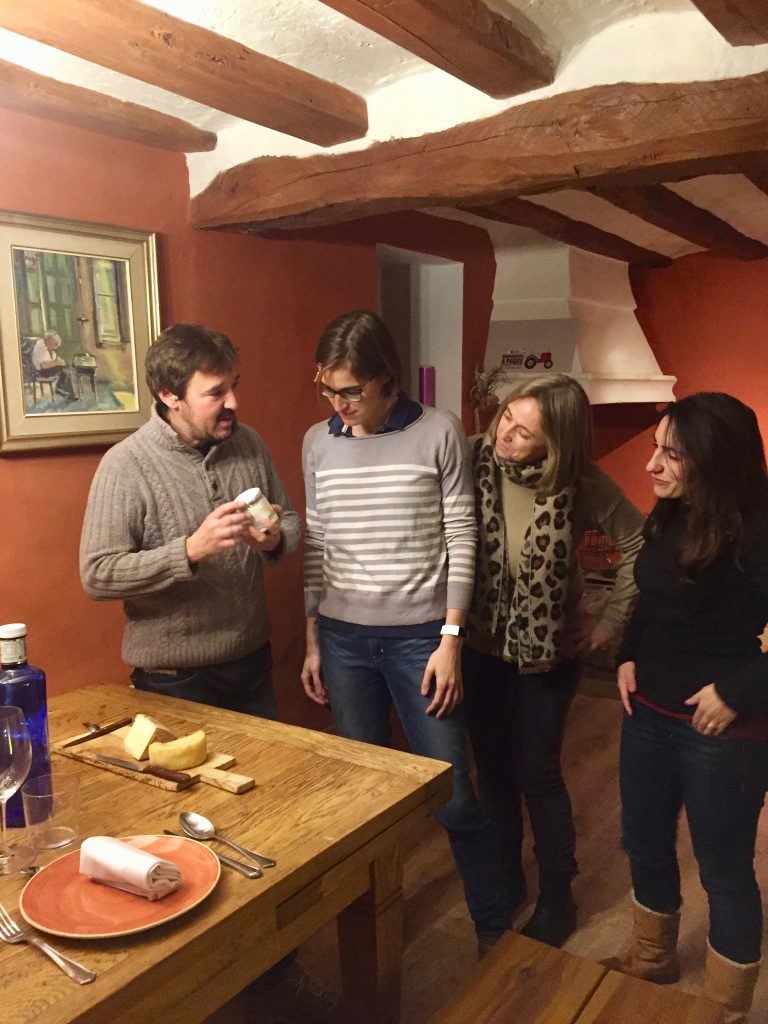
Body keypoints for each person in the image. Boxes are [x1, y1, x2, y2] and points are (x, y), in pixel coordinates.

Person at [300, 309, 510, 954]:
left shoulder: (438, 431)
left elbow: (463, 536)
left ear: (387, 379)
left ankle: (493, 927)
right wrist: (311, 636)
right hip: (342, 640)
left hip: (422, 639)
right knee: (362, 797)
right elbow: (316, 541)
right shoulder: (318, 441)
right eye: (327, 390)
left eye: (351, 391)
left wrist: (451, 639)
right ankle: (370, 932)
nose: (339, 406)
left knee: (454, 794)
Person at [463, 374, 644, 947]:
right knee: (492, 770)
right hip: (480, 648)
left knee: (536, 773)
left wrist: (607, 622)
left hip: (548, 657)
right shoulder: (474, 459)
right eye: (506, 418)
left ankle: (558, 895)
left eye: (524, 433)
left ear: (556, 444)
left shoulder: (580, 481)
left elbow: (638, 543)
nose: (505, 435)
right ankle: (507, 876)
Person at [606, 392, 768, 1023]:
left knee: (724, 871)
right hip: (646, 713)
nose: (651, 465)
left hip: (722, 731)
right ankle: (653, 958)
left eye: (671, 454)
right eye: (657, 448)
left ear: (714, 460)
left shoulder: (758, 531)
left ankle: (722, 1009)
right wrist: (627, 654)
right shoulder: (673, 511)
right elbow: (653, 596)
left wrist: (738, 692)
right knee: (643, 841)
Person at [80, 322, 301, 718]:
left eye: (234, 386)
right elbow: (97, 574)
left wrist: (274, 540)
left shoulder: (249, 443)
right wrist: (189, 551)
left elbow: (292, 522)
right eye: (216, 393)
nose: (233, 402)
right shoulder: (125, 465)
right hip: (174, 679)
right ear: (170, 395)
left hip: (252, 663)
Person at [31, 329, 76, 400]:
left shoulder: (48, 348)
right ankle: (62, 389)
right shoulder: (41, 346)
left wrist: (57, 361)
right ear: (49, 341)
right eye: (55, 344)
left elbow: (51, 361)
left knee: (65, 368)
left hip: (46, 370)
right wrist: (57, 362)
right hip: (40, 372)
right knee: (64, 368)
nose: (56, 347)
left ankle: (65, 390)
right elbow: (43, 366)